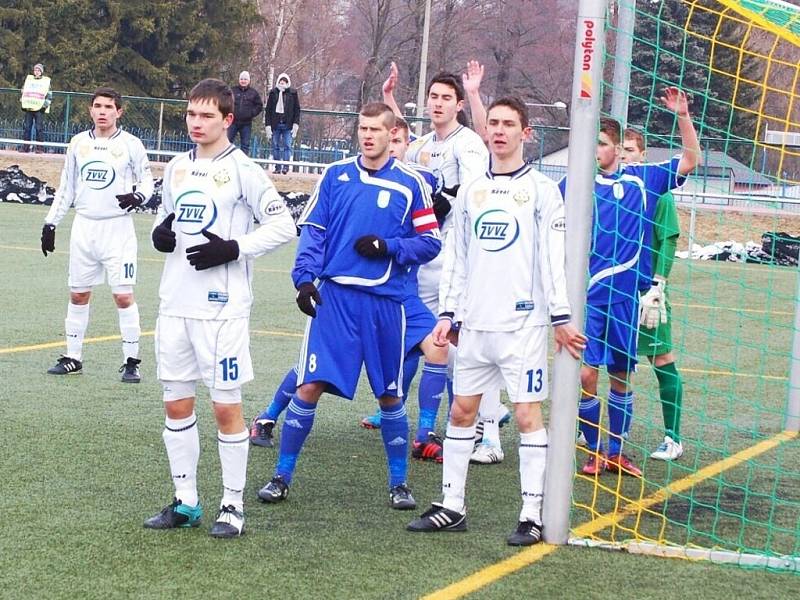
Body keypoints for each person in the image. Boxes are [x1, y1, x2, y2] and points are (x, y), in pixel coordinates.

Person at [407, 98, 586, 545]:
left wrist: (560, 317)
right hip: (475, 325)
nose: (500, 131)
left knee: (527, 414)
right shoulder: (471, 191)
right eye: (494, 124)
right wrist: (448, 313)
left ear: (527, 133)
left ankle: (531, 513)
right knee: (462, 410)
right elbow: (458, 259)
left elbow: (553, 259)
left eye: (510, 124)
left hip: (521, 326)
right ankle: (452, 505)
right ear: (486, 132)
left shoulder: (543, 190)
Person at [255, 102, 441, 511]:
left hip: (385, 306)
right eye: (362, 128)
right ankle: (281, 476)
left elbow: (431, 242)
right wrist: (303, 280)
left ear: (392, 136)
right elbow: (314, 232)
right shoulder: (335, 176)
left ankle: (399, 484)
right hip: (335, 300)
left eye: (376, 129)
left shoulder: (410, 184)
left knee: (390, 396)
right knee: (309, 385)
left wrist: (388, 247)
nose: (368, 135)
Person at [143, 78, 295, 538]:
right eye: (191, 114)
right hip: (175, 305)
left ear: (228, 120)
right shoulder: (176, 167)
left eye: (207, 115)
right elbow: (164, 217)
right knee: (175, 404)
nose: (197, 123)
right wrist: (159, 234)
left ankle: (232, 505)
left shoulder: (244, 169)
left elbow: (284, 225)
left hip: (222, 310)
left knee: (225, 408)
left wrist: (234, 248)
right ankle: (186, 500)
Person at [561, 88, 699, 478]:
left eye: (602, 144)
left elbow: (690, 159)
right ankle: (594, 450)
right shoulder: (575, 185)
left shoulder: (643, 180)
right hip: (587, 298)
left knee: (621, 375)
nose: (595, 150)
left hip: (627, 298)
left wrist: (683, 116)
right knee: (587, 375)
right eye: (592, 143)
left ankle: (617, 452)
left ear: (618, 149)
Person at [372, 65, 498, 463]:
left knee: (466, 344)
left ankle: (488, 430)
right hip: (424, 258)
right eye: (433, 96)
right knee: (424, 340)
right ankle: (412, 416)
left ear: (458, 105)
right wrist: (389, 98)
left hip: (456, 258)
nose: (438, 103)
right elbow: (399, 147)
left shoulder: (469, 145)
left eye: (446, 97)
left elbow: (476, 190)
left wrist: (449, 198)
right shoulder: (424, 142)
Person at [41, 87, 153, 382]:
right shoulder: (78, 143)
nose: (102, 111)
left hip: (118, 230)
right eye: (97, 106)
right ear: (90, 110)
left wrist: (138, 197)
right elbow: (67, 188)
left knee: (123, 296)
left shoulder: (131, 144)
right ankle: (73, 357)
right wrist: (50, 223)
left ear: (119, 112)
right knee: (78, 294)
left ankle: (132, 361)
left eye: (108, 107)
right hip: (84, 228)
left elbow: (148, 181)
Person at [621, 127, 686, 461]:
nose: (624, 156)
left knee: (661, 359)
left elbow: (669, 238)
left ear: (642, 154)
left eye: (630, 150)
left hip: (647, 292)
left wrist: (659, 284)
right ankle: (616, 429)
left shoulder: (658, 190)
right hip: (615, 290)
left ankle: (673, 437)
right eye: (620, 150)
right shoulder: (606, 188)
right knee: (612, 361)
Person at [264, 73, 301, 174]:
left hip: (287, 124)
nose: (282, 84)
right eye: (280, 82)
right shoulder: (273, 93)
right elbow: (268, 110)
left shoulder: (293, 93)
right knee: (275, 145)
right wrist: (267, 125)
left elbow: (297, 110)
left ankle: (285, 167)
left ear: (287, 83)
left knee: (287, 146)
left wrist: (295, 124)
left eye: (284, 82)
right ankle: (277, 167)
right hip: (275, 124)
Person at [227, 71, 263, 157]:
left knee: (245, 144)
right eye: (242, 79)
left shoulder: (253, 93)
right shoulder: (232, 90)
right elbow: (226, 102)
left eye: (245, 79)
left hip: (246, 123)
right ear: (239, 80)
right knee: (227, 142)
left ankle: (243, 163)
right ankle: (226, 160)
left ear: (249, 80)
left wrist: (251, 113)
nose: (243, 81)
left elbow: (259, 105)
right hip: (233, 122)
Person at [20, 63, 52, 153]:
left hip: (39, 109)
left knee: (39, 128)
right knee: (27, 128)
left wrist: (44, 106)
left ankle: (40, 148)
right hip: (29, 108)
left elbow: (49, 95)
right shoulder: (29, 81)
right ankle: (25, 147)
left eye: (38, 70)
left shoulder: (46, 82)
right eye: (35, 70)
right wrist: (23, 103)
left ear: (41, 72)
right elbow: (23, 91)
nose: (36, 72)